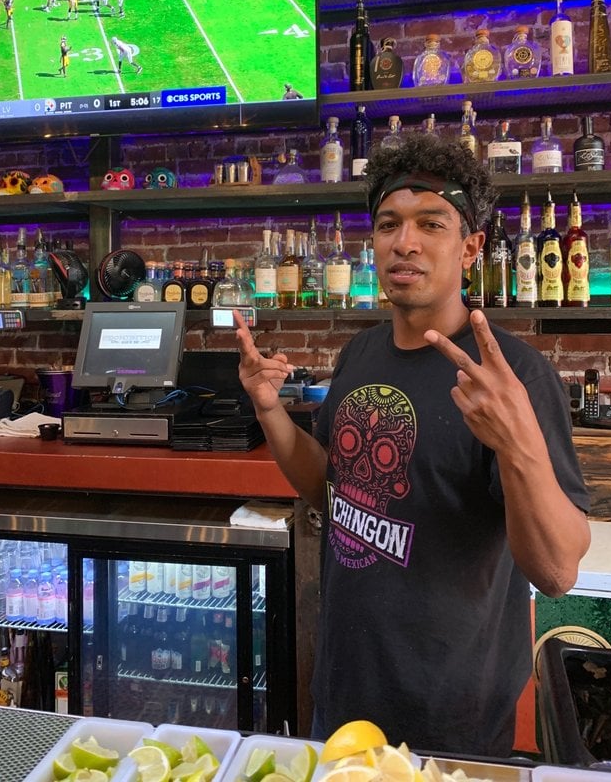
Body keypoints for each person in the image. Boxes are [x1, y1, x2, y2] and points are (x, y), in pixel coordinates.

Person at [236, 135, 590, 758]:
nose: (406, 242)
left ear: (471, 246)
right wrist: (271, 413)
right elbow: (330, 485)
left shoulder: (513, 376)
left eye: (432, 224)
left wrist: (517, 445)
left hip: (452, 713)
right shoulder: (361, 352)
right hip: (343, 691)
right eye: (389, 224)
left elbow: (557, 569)